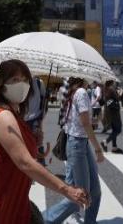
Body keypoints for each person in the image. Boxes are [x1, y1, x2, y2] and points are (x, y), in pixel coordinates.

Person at [0, 60, 87, 223]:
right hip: (0, 204)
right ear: (2, 84)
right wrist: (66, 189)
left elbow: (14, 153)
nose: (21, 85)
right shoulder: (4, 116)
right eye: (14, 80)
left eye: (25, 80)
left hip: (14, 198)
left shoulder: (15, 114)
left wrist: (34, 142)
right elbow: (24, 162)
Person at [44, 77, 104, 224]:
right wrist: (98, 149)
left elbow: (77, 120)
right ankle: (45, 219)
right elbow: (85, 123)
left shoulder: (73, 92)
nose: (93, 77)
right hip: (77, 144)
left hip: (78, 142)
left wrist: (91, 121)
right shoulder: (82, 92)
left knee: (94, 192)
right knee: (79, 196)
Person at [100, 81, 123, 154]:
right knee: (118, 130)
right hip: (114, 113)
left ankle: (114, 147)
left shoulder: (105, 89)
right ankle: (105, 142)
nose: (115, 82)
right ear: (111, 82)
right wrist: (120, 93)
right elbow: (116, 99)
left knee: (114, 130)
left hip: (109, 113)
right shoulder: (111, 89)